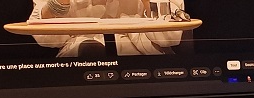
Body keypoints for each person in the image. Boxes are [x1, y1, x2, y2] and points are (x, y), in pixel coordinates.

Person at [30, 0, 182, 57]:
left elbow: (169, 37)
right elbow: (46, 39)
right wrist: (60, 3)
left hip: (145, 62)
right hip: (82, 58)